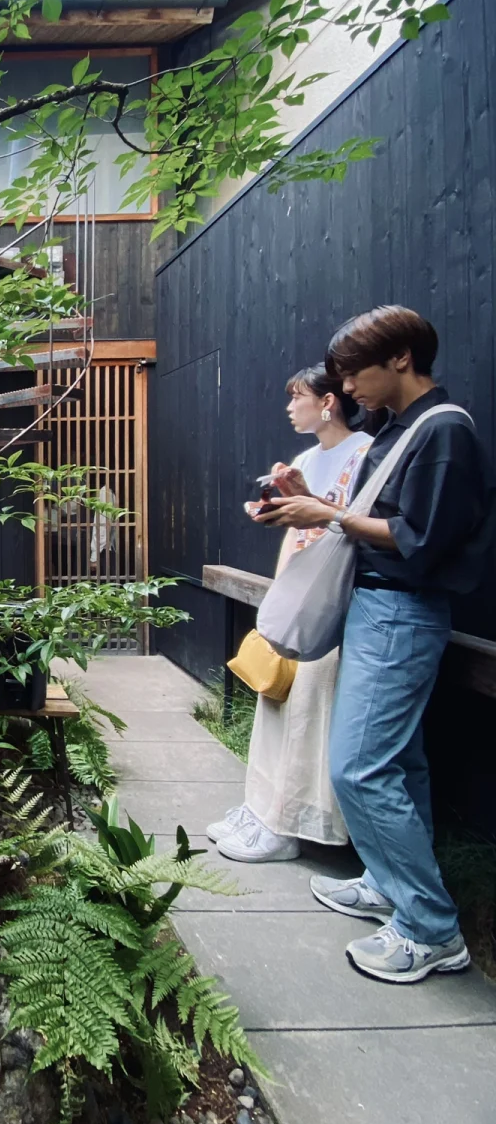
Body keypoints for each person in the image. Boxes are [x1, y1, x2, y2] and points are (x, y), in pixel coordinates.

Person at [254, 307, 496, 983]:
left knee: (359, 768)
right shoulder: (403, 430)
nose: (347, 387)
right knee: (400, 764)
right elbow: (381, 518)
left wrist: (327, 514)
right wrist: (307, 498)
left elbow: (424, 537)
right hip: (380, 608)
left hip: (402, 612)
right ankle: (391, 883)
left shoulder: (443, 432)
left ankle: (431, 927)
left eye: (354, 372)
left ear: (399, 360)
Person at [211, 366, 372, 862]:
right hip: (294, 586)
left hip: (327, 594)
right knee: (276, 698)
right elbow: (302, 521)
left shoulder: (364, 452)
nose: (288, 406)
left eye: (296, 397)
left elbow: (347, 523)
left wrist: (308, 504)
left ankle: (291, 822)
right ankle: (261, 807)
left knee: (310, 709)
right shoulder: (304, 457)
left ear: (328, 402)